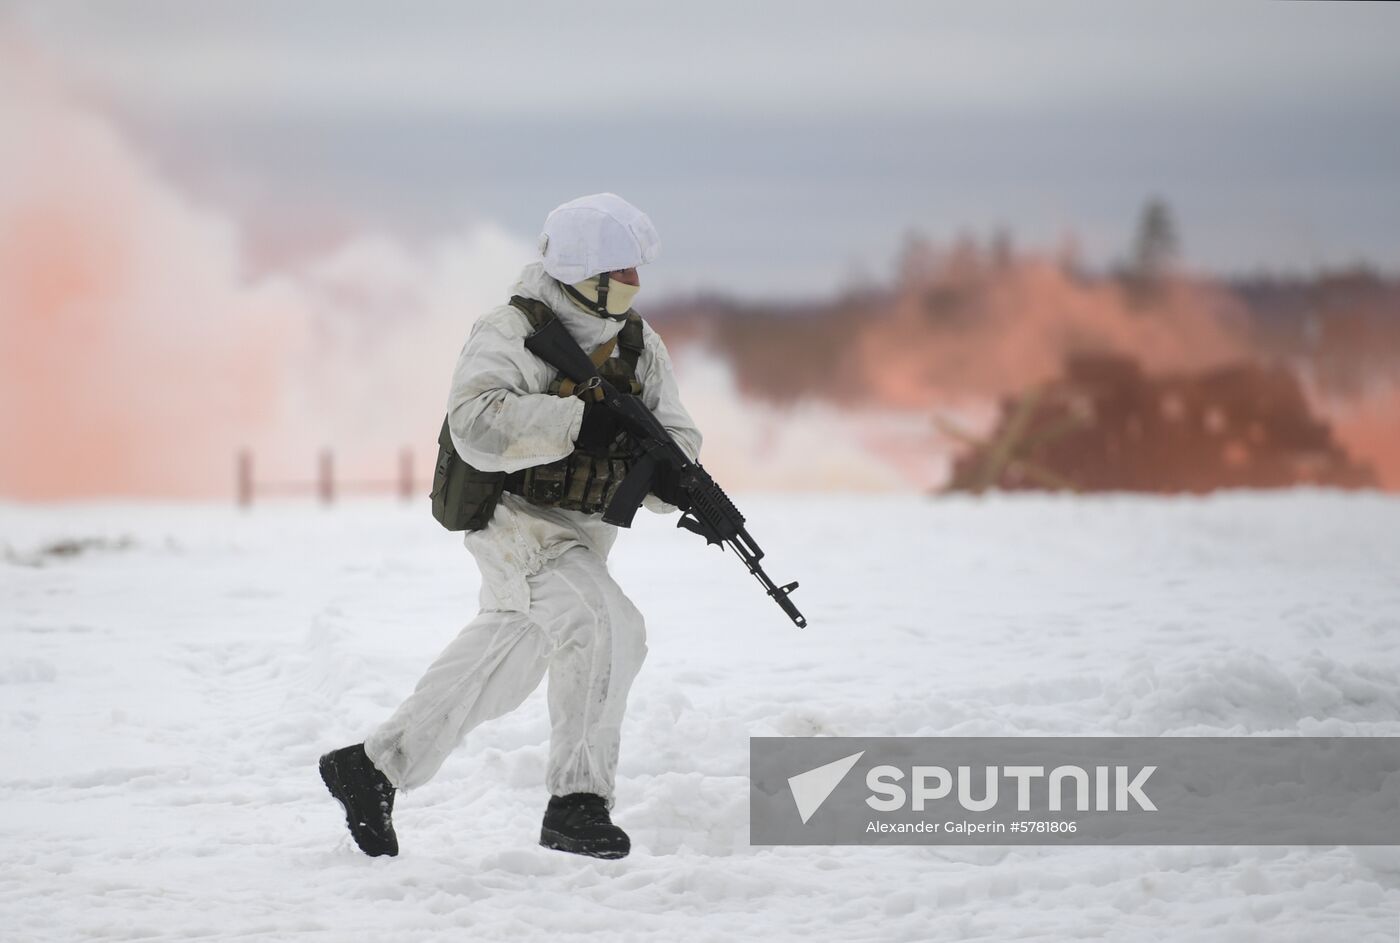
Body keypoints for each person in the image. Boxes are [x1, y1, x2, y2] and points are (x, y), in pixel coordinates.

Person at [318, 193, 701, 860]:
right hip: (514, 521)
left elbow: (678, 436)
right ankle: (578, 801)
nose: (636, 283)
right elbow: (474, 421)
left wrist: (673, 478)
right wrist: (578, 422)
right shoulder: (511, 331)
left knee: (504, 663)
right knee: (607, 625)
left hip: (582, 532)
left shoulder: (639, 345)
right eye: (623, 270)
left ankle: (374, 766)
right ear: (586, 274)